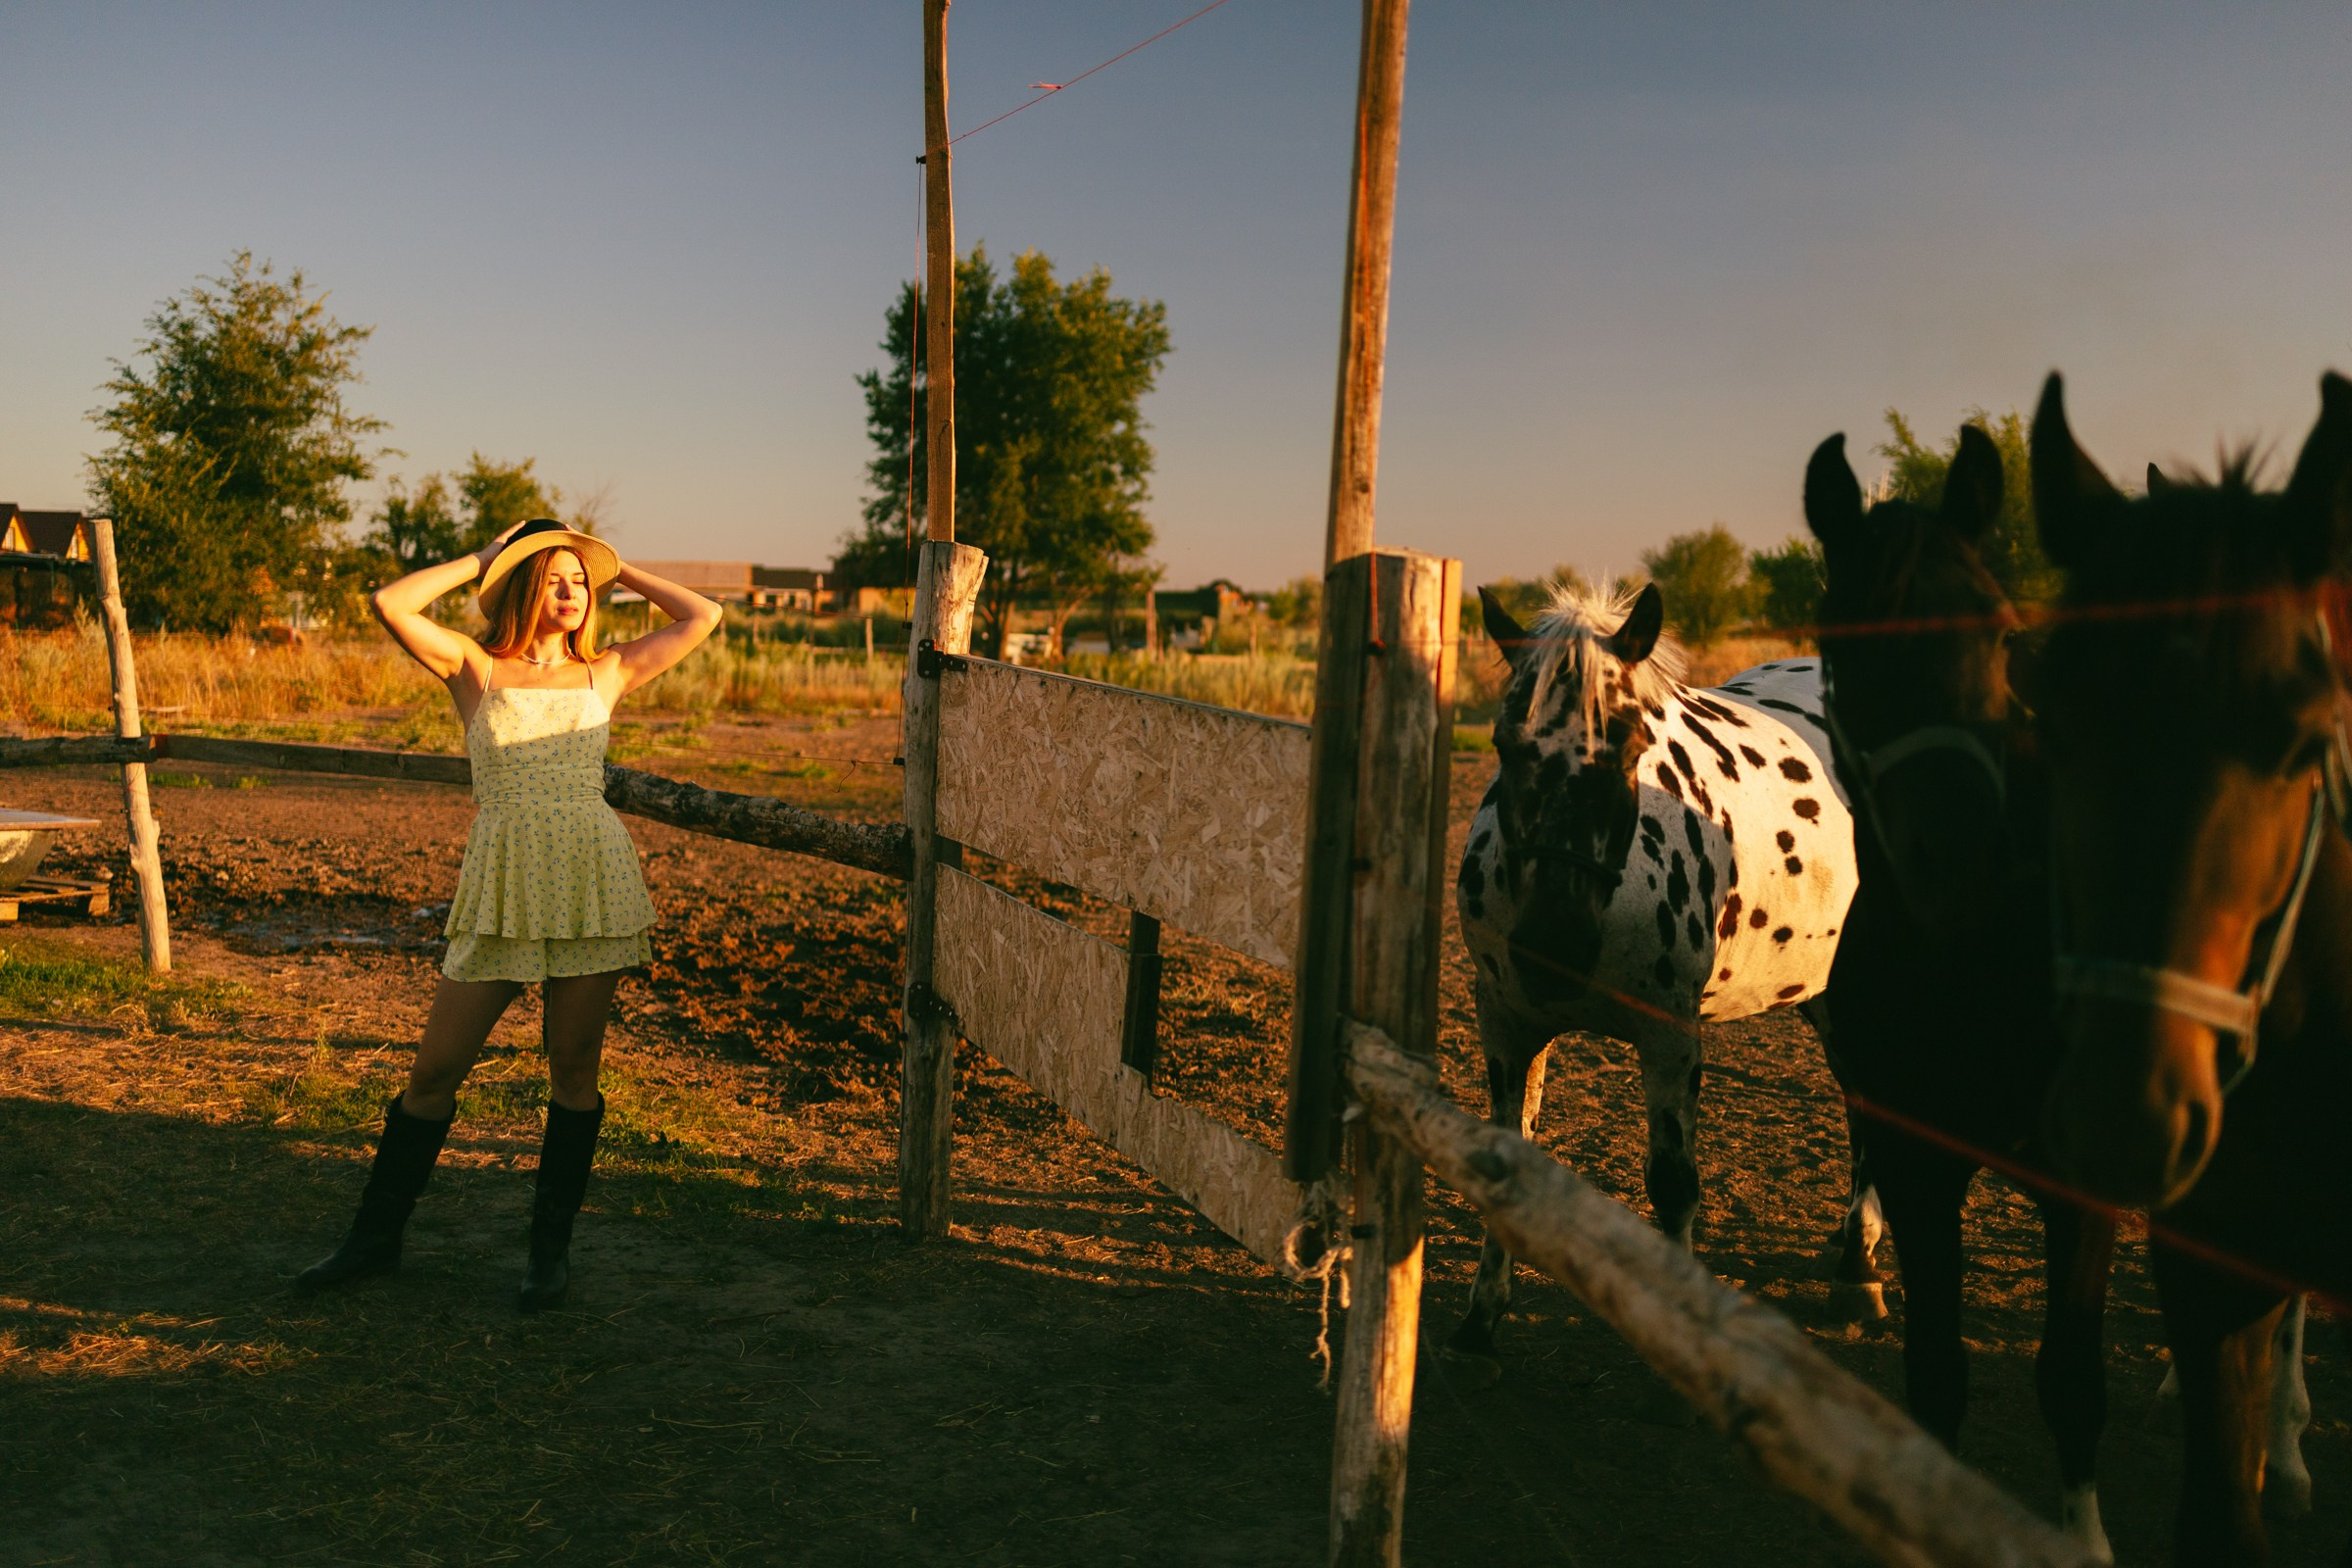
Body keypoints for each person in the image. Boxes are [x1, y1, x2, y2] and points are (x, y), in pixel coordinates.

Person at [296, 518, 721, 1310]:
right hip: (504, 880)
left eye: (581, 582)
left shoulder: (609, 672)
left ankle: (547, 1255)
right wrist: (481, 561)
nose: (573, 592)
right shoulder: (475, 666)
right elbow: (390, 602)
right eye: (556, 578)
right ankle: (372, 1239)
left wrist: (622, 568)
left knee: (572, 1070)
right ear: (525, 587)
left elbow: (703, 617)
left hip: (591, 878)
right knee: (433, 1072)